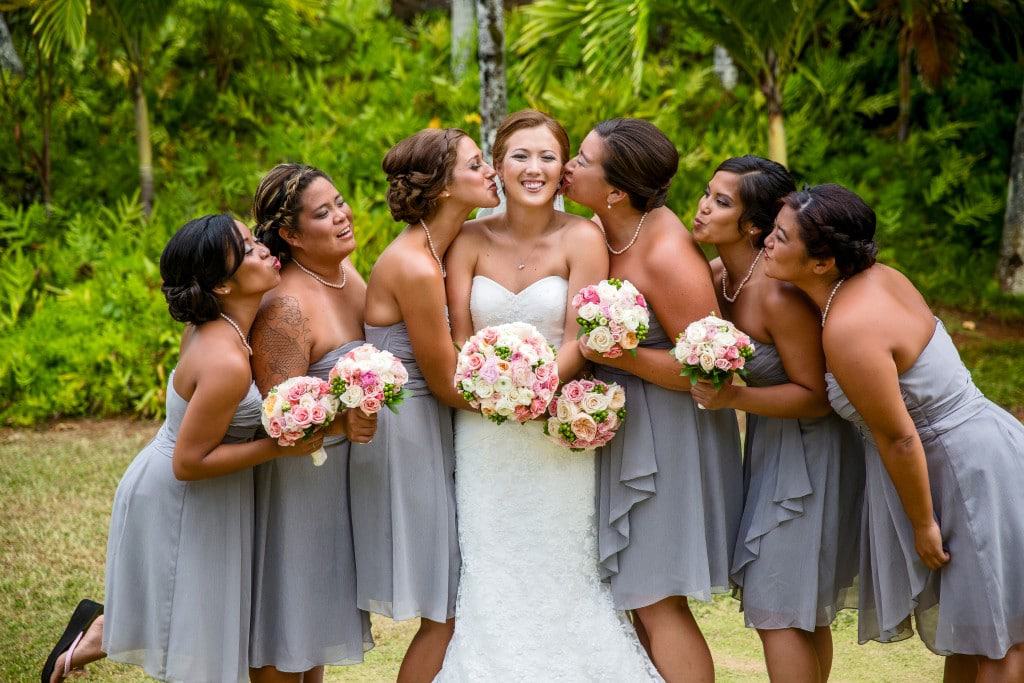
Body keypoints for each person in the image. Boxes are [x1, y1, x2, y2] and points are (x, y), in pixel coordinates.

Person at [41, 215, 325, 683]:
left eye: (255, 240)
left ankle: (97, 629)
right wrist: (278, 449)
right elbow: (189, 462)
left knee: (195, 624)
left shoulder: (222, 325)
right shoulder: (226, 361)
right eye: (250, 249)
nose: (264, 250)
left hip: (206, 492)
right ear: (222, 285)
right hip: (184, 496)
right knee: (198, 640)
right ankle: (96, 631)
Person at [763, 183, 1024, 682]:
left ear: (822, 262)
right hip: (987, 442)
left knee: (998, 638)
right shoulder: (880, 277)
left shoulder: (848, 327)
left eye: (780, 236)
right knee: (972, 634)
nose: (768, 244)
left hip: (964, 471)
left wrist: (923, 523)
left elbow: (899, 437)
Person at [435, 109, 659, 681]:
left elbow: (580, 338)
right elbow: (460, 333)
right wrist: (491, 390)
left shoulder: (582, 237)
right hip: (484, 433)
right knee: (490, 564)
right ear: (498, 165)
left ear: (563, 170)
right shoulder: (468, 240)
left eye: (547, 157)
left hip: (553, 430)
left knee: (560, 563)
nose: (533, 168)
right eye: (519, 156)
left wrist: (532, 390)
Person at [564, 117, 742, 682]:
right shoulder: (605, 227)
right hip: (631, 425)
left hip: (671, 437)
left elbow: (706, 369)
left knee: (657, 599)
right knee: (636, 600)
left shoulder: (665, 253)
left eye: (583, 161)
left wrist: (615, 355)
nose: (569, 164)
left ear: (616, 190)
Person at [688, 156, 863, 682]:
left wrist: (731, 400)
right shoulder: (720, 277)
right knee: (799, 609)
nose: (702, 206)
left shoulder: (776, 294)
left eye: (722, 202)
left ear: (755, 226)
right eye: (706, 192)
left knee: (779, 608)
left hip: (811, 453)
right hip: (770, 444)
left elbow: (816, 396)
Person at [351, 127, 499, 683]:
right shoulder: (413, 266)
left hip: (436, 424)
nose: (490, 173)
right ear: (440, 188)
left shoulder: (450, 246)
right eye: (476, 165)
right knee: (447, 605)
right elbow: (444, 381)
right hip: (409, 429)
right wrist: (529, 404)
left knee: (454, 600)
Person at [248, 164, 377, 682]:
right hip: (294, 488)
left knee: (316, 633)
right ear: (290, 234)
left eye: (340, 203)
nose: (342, 216)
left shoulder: (350, 277)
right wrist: (344, 425)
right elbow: (280, 422)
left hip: (335, 483)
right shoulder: (286, 306)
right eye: (323, 213)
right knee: (288, 629)